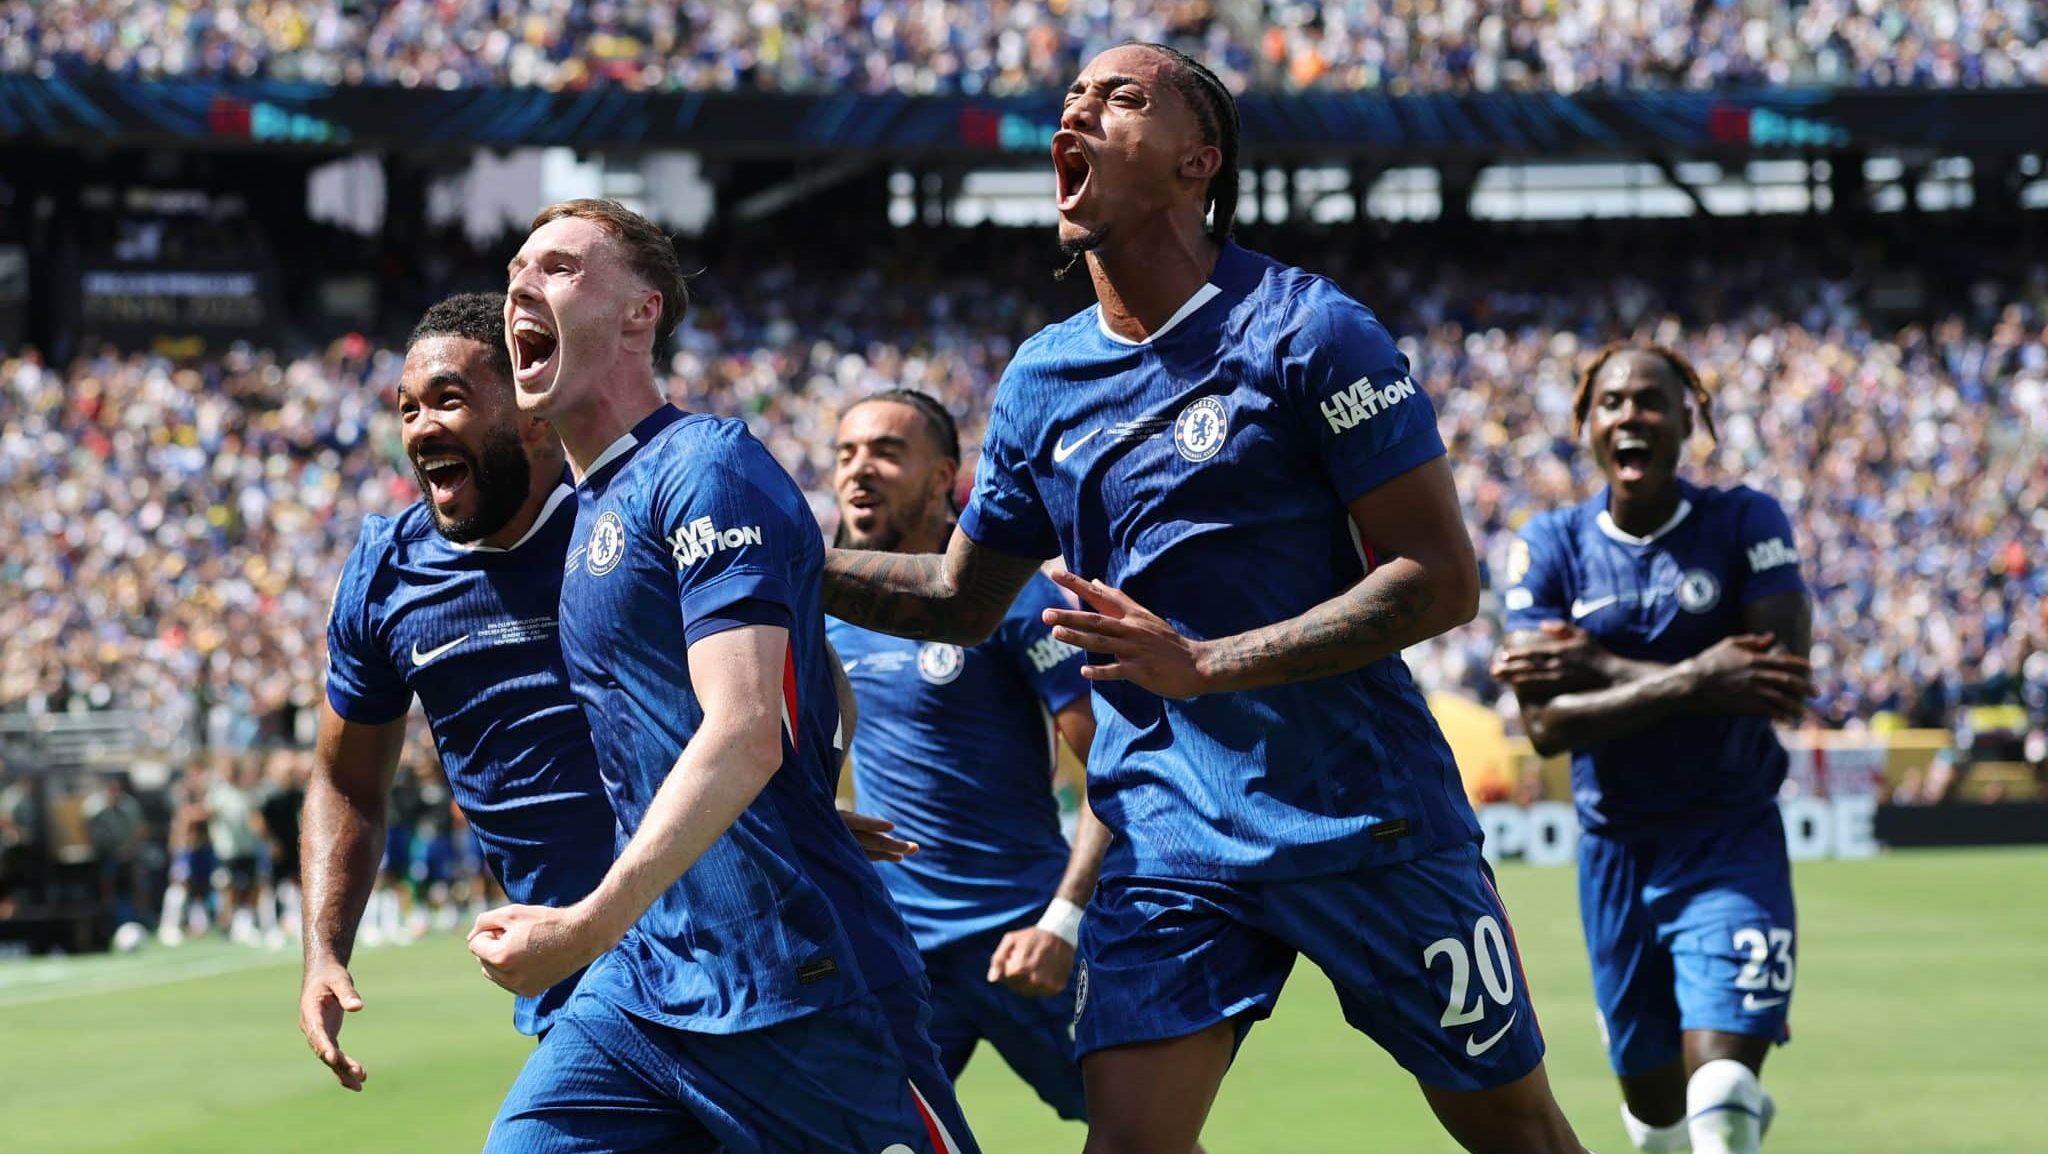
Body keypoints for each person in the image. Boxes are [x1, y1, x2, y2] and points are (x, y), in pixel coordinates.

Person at [819, 41, 1588, 1154]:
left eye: (1120, 98)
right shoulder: (1040, 379)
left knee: (1513, 1128)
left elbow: (1440, 579)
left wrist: (1208, 663)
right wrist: (777, 555)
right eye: (1071, 97)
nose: (1078, 110)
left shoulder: (1309, 330)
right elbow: (956, 597)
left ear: (1197, 161)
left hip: (1361, 815)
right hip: (1168, 837)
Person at [470, 200, 978, 1153]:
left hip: (799, 978)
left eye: (560, 267)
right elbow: (816, 677)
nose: (522, 287)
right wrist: (804, 788)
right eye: (516, 271)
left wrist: (583, 927)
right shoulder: (590, 514)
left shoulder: (708, 465)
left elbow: (744, 723)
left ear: (640, 313)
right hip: (647, 987)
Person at [1490, 343, 1814, 1154]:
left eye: (1652, 401)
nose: (1631, 415)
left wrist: (1598, 666)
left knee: (1724, 1096)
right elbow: (1549, 728)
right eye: (1612, 403)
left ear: (1686, 420)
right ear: (1587, 425)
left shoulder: (1746, 521)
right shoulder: (1550, 546)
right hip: (1616, 857)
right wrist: (1703, 675)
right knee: (1656, 1123)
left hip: (1729, 838)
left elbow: (1779, 686)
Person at [302, 292, 622, 1091]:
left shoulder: (629, 522)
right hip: (571, 983)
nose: (420, 428)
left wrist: (800, 789)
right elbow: (347, 782)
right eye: (407, 409)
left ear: (535, 417)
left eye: (448, 399)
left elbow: (798, 672)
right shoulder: (388, 571)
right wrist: (323, 951)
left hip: (724, 948)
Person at [827, 389, 1130, 1130]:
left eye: (887, 452)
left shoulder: (1011, 599)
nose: (860, 470)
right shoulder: (825, 609)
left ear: (943, 477)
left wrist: (1063, 920)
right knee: (859, 1137)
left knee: (1142, 1133)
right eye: (846, 454)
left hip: (1024, 937)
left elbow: (1115, 768)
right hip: (902, 954)